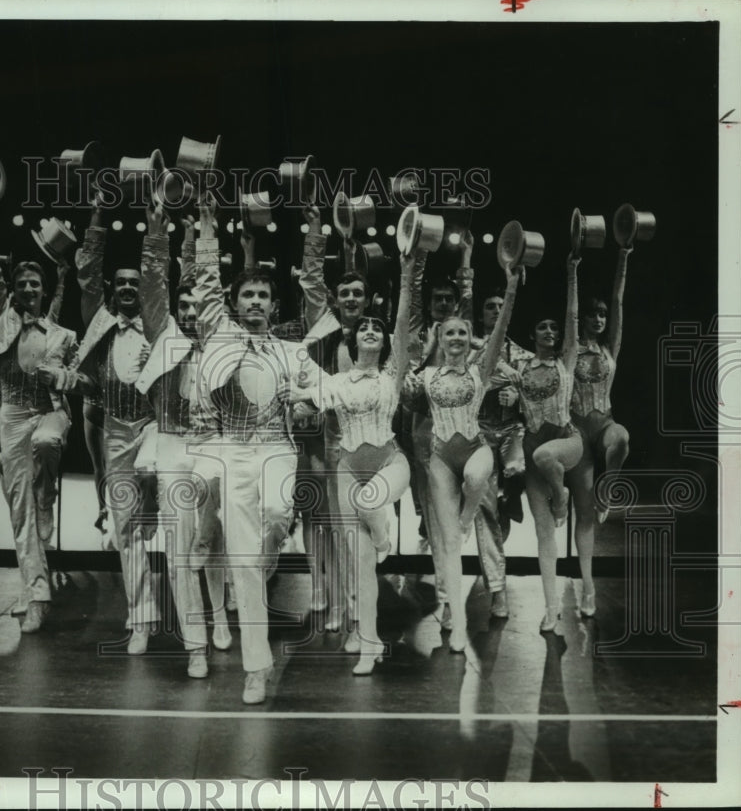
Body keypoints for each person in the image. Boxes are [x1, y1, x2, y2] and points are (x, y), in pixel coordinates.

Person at [194, 212, 323, 704]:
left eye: (262, 295)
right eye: (246, 295)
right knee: (244, 559)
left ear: (273, 304)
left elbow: (320, 397)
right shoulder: (221, 336)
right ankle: (256, 667)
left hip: (275, 448)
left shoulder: (292, 352)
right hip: (232, 448)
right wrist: (208, 229)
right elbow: (206, 287)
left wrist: (304, 399)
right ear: (235, 303)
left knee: (276, 516)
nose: (254, 302)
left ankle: (260, 563)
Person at [291, 241, 415, 674]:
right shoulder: (338, 381)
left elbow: (403, 320)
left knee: (370, 510)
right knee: (358, 559)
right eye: (365, 329)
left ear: (384, 341)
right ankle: (367, 641)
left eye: (376, 330)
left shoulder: (393, 373)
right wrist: (295, 401)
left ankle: (384, 540)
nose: (369, 332)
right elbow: (304, 395)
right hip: (345, 466)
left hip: (388, 462)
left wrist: (408, 264)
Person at [0, 194, 81, 633]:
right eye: (22, 286)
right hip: (13, 417)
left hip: (50, 414)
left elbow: (78, 377)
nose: (28, 290)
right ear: (15, 292)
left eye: (35, 285)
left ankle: (34, 583)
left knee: (45, 445)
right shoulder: (3, 320)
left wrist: (66, 377)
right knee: (25, 508)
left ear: (43, 290)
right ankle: (34, 589)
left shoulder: (63, 334)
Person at [135, 197, 232, 677]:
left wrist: (208, 232)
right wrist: (158, 229)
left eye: (198, 305)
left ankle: (219, 612)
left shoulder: (219, 335)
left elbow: (208, 284)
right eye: (183, 305)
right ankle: (196, 644)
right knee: (179, 546)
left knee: (214, 539)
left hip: (216, 446)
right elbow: (154, 281)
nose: (192, 312)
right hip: (174, 443)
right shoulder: (165, 335)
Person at [406, 258, 521, 653]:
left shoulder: (475, 359)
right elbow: (406, 396)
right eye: (436, 302)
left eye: (448, 300)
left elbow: (503, 347)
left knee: (483, 514)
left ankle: (499, 588)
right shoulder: (422, 357)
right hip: (431, 447)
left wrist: (509, 285)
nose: (441, 305)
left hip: (474, 442)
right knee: (443, 532)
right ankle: (448, 603)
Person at [75, 202, 162, 654]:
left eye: (135, 283)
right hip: (114, 430)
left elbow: (157, 268)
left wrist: (157, 219)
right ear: (113, 290)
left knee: (153, 479)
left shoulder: (156, 321)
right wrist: (96, 217)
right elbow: (87, 276)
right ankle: (142, 617)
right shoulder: (102, 325)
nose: (129, 288)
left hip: (154, 426)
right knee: (125, 526)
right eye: (122, 283)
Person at [514, 252, 585, 632]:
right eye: (542, 327)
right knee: (544, 536)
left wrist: (571, 271)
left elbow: (573, 319)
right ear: (531, 334)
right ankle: (552, 608)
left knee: (544, 453)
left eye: (553, 327)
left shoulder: (567, 359)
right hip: (535, 459)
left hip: (565, 444)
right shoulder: (519, 365)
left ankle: (563, 497)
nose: (550, 332)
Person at [567, 244, 632, 616]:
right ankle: (588, 588)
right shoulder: (571, 348)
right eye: (593, 314)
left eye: (602, 314)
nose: (600, 318)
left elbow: (619, 302)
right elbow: (572, 311)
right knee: (584, 514)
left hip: (604, 424)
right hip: (577, 435)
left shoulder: (611, 348)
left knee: (622, 438)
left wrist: (623, 255)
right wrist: (573, 270)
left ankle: (610, 489)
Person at [469, 288, 533, 618]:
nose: (496, 310)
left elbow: (541, 402)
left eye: (500, 306)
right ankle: (498, 590)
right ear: (481, 315)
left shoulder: (523, 356)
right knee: (483, 505)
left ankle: (511, 498)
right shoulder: (470, 350)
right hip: (480, 432)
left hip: (512, 433)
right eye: (489, 306)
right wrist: (491, 387)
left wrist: (519, 398)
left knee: (518, 470)